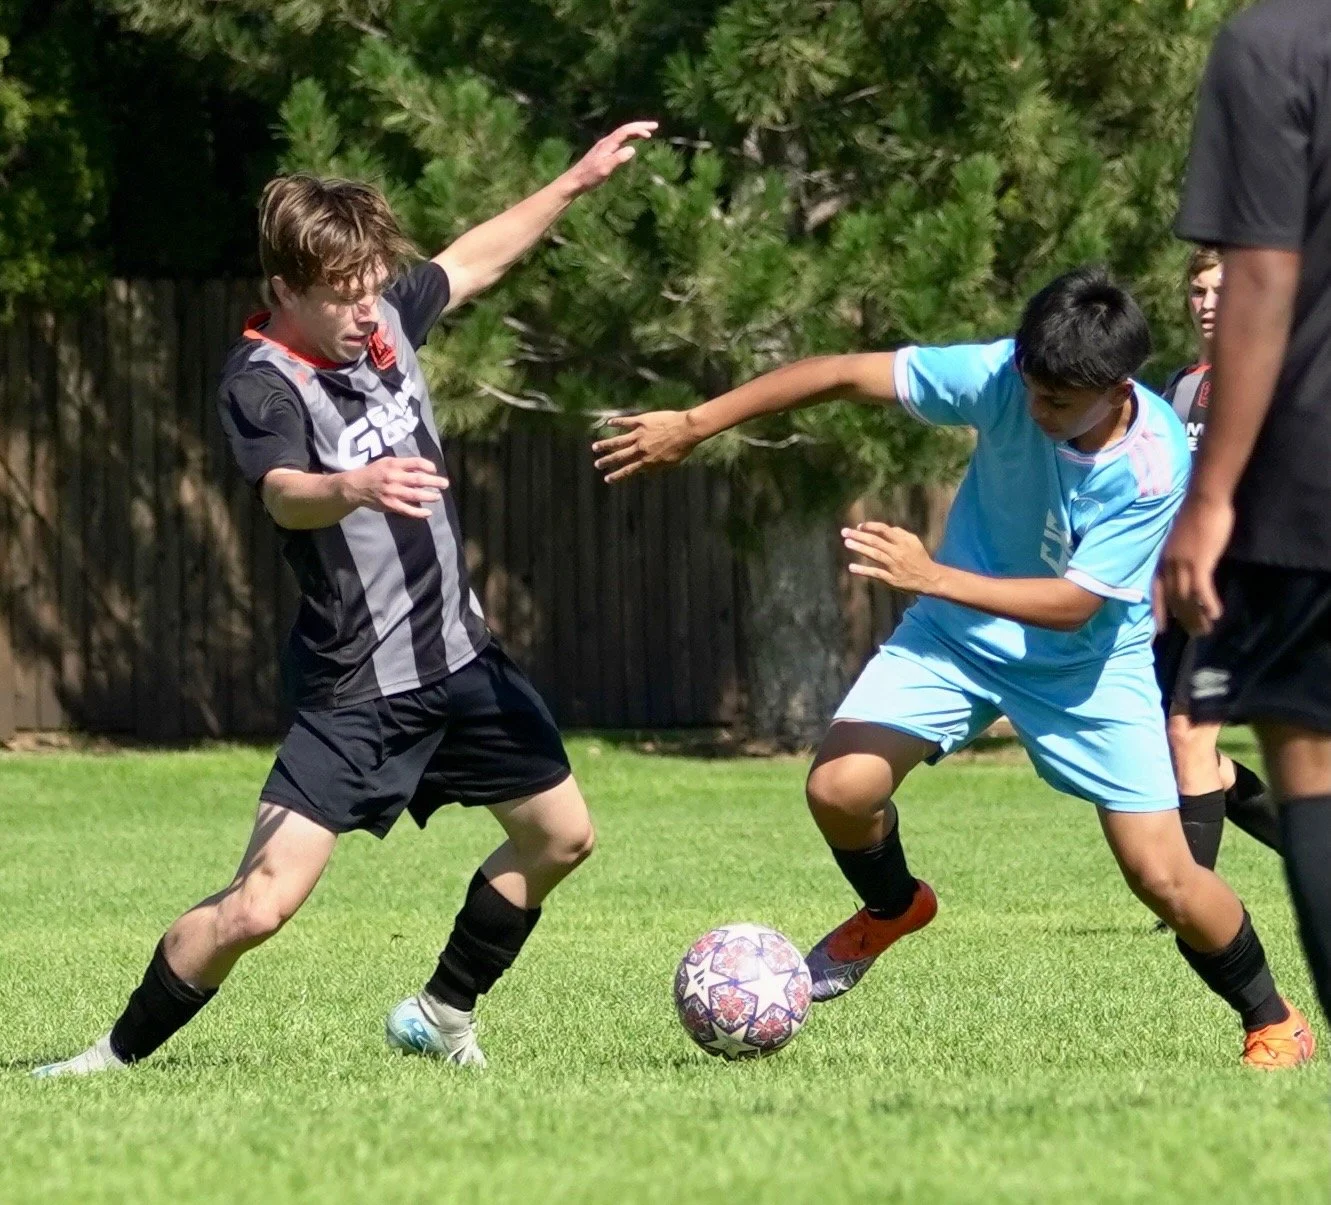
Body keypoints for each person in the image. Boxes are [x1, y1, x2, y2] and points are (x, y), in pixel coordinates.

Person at [32, 120, 657, 1078]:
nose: (365, 312)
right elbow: (282, 493)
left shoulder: (383, 318)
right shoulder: (261, 382)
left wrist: (573, 181)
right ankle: (107, 1059)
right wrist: (353, 488)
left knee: (562, 837)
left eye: (372, 288)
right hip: (358, 688)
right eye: (342, 297)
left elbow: (472, 258)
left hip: (463, 661)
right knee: (260, 906)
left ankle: (442, 1010)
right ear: (283, 288)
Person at [595, 266, 1314, 1068]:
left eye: (1056, 401)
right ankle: (894, 905)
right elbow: (838, 373)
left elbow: (1076, 603)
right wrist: (697, 422)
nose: (1033, 410)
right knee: (839, 787)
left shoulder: (1150, 466)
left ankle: (1273, 1018)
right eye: (1029, 389)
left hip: (1084, 671)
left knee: (1164, 878)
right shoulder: (1002, 376)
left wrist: (929, 574)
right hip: (954, 636)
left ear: (1115, 389)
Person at [1161, 0, 1331, 1021]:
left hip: (1307, 471)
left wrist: (1212, 493)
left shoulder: (1272, 43)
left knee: (1308, 765)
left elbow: (1261, 266)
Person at [1153, 246, 1280, 872]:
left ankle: (1191, 900)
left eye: (1221, 291)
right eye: (1198, 291)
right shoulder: (1180, 386)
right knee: (1173, 746)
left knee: (1187, 733)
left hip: (1240, 587)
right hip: (1180, 587)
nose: (1207, 304)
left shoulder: (1276, 377)